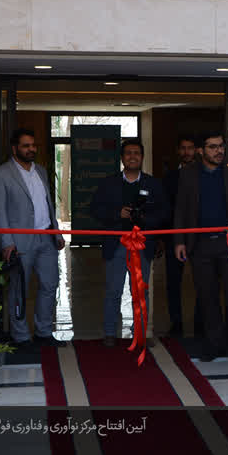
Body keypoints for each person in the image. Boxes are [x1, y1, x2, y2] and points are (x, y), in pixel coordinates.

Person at [173, 131, 228, 365]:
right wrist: (179, 241)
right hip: (199, 245)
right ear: (201, 151)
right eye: (212, 147)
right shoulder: (188, 174)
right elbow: (180, 208)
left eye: (221, 146)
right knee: (207, 297)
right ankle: (214, 344)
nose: (219, 151)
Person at [0, 128, 66, 350]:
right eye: (26, 146)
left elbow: (47, 204)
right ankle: (21, 336)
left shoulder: (40, 171)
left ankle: (44, 332)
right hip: (19, 241)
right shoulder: (1, 174)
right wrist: (7, 242)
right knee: (18, 289)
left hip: (46, 237)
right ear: (15, 149)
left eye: (33, 145)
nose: (31, 149)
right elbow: (0, 212)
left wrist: (57, 231)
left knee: (50, 285)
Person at [91, 138, 169, 347]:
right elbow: (95, 209)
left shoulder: (153, 184)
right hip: (116, 245)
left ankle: (141, 332)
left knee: (141, 292)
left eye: (136, 153)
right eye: (128, 153)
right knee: (113, 290)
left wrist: (145, 218)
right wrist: (117, 214)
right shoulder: (108, 183)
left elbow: (164, 212)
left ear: (142, 157)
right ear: (122, 158)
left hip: (142, 245)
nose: (132, 156)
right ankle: (110, 333)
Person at [162, 132, 199, 337]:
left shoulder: (204, 175)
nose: (186, 152)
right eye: (183, 148)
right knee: (173, 283)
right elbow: (165, 209)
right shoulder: (169, 178)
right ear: (178, 151)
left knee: (203, 281)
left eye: (190, 148)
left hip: (199, 237)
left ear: (197, 151)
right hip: (173, 237)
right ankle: (176, 324)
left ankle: (201, 323)